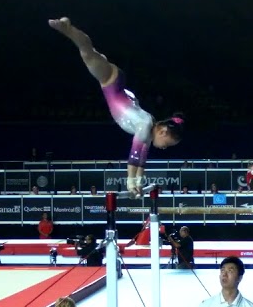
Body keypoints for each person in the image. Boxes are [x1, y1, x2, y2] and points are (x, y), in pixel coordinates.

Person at [48, 17, 184, 196]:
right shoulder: (145, 126)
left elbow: (142, 158)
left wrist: (139, 183)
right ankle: (68, 28)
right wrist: (130, 183)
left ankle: (69, 30)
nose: (164, 148)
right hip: (111, 82)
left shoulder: (149, 127)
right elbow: (134, 156)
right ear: (163, 132)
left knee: (91, 54)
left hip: (116, 83)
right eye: (167, 144)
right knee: (88, 53)